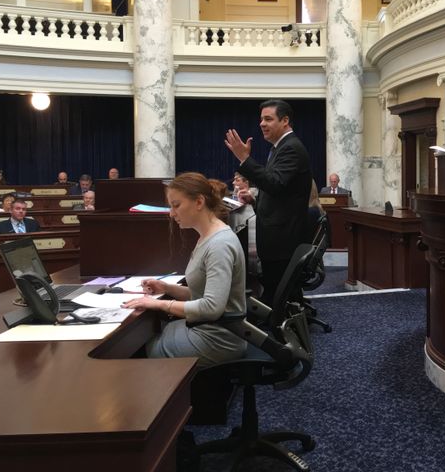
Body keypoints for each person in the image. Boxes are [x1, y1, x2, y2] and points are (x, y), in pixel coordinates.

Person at [122, 172, 246, 368]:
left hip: (218, 339)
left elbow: (211, 307)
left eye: (176, 205)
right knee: (146, 335)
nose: (171, 213)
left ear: (199, 202)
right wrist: (167, 289)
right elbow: (202, 293)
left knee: (136, 347)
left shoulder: (219, 245)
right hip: (208, 329)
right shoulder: (207, 237)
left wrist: (162, 305)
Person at [224, 99, 312, 306]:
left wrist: (245, 160)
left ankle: (282, 328)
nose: (262, 124)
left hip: (282, 237)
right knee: (278, 290)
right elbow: (282, 191)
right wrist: (254, 199)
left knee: (279, 291)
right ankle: (286, 319)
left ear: (285, 121)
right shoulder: (280, 147)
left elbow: (275, 184)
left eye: (268, 119)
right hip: (280, 233)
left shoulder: (290, 148)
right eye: (261, 119)